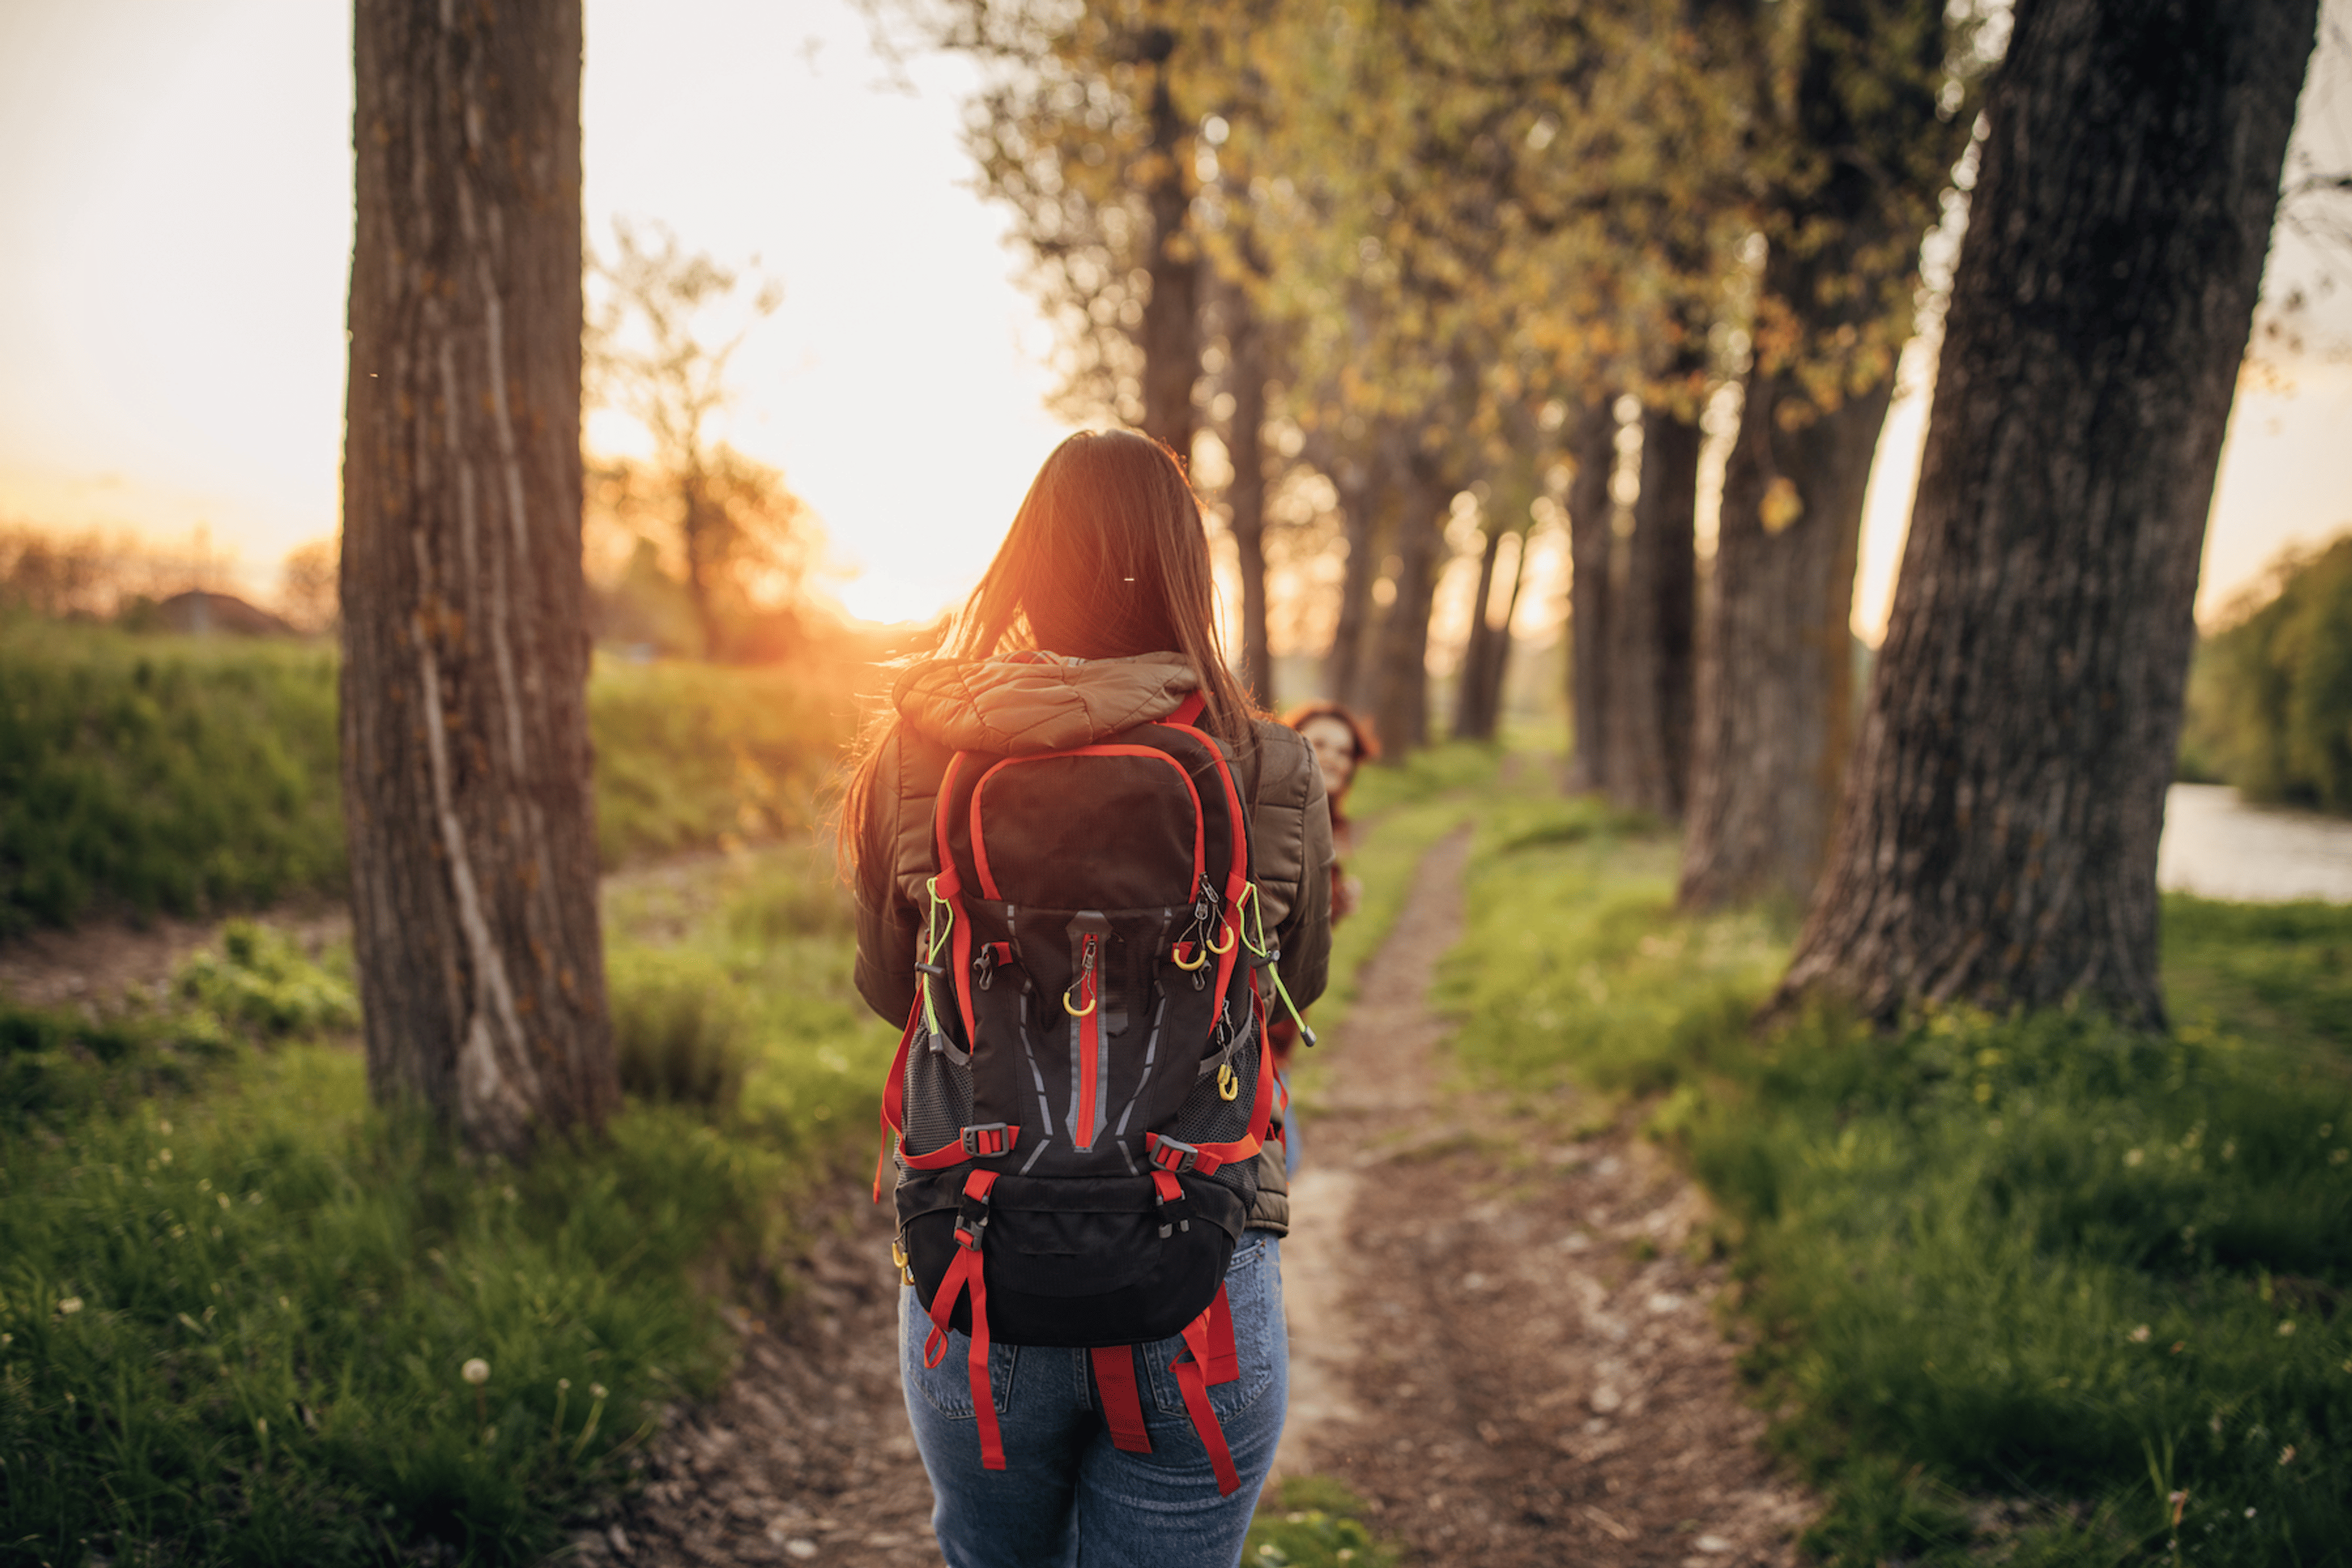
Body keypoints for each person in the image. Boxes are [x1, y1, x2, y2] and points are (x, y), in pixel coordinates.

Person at [840, 428, 1334, 1568]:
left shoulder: (919, 753)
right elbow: (1292, 991)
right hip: (1196, 1271)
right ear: (1187, 568)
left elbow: (891, 992)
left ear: (1028, 559)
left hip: (980, 1262)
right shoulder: (1269, 763)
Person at [1262, 703, 1375, 1176]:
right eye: (1319, 743)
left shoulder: (1326, 822)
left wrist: (1334, 911)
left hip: (1281, 1034)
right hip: (1254, 1033)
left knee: (1279, 1168)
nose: (1332, 758)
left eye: (1344, 751)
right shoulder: (1274, 818)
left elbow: (1299, 934)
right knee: (1280, 1165)